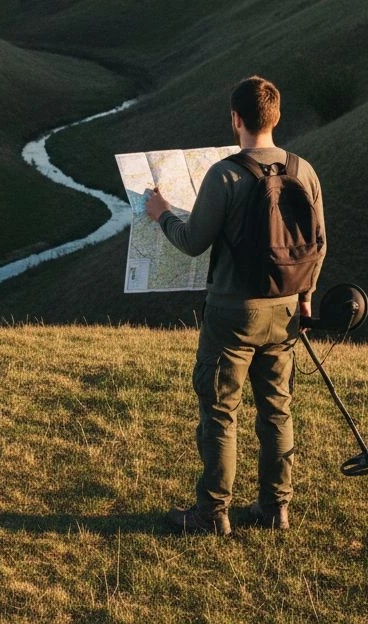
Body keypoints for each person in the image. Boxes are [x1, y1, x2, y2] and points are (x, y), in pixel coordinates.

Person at [144, 76, 326, 535]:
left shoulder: (224, 174)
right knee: (276, 410)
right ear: (276, 118)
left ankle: (211, 513)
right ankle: (275, 507)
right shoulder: (303, 170)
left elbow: (191, 241)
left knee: (221, 412)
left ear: (236, 119)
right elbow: (318, 245)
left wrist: (161, 213)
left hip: (233, 313)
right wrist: (306, 299)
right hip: (286, 310)